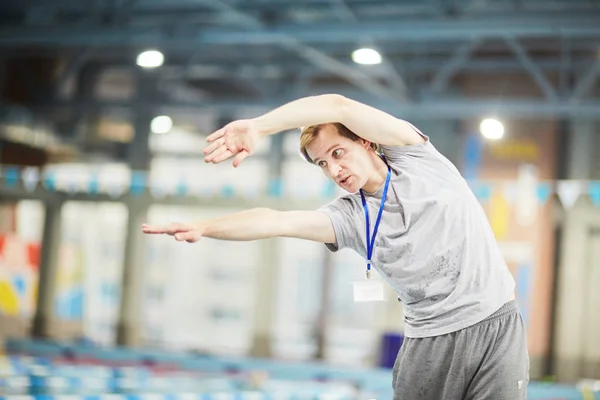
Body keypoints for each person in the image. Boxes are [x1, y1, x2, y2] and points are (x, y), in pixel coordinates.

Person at [141, 94, 530, 399]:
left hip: (497, 323)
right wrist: (205, 226)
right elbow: (275, 221)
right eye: (322, 164)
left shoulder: (418, 158)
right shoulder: (349, 218)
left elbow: (336, 105)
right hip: (429, 343)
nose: (334, 170)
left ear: (366, 141)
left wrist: (259, 127)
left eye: (337, 153)